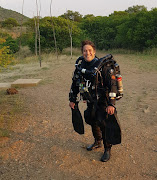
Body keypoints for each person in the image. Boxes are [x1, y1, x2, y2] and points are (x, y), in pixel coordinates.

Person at [69, 40, 122, 162]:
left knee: (104, 123)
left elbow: (112, 85)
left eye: (89, 50)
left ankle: (107, 149)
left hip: (103, 100)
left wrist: (111, 104)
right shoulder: (80, 67)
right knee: (92, 119)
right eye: (85, 51)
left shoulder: (103, 67)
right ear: (82, 52)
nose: (87, 53)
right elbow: (75, 84)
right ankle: (98, 141)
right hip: (90, 100)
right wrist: (72, 100)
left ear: (94, 52)